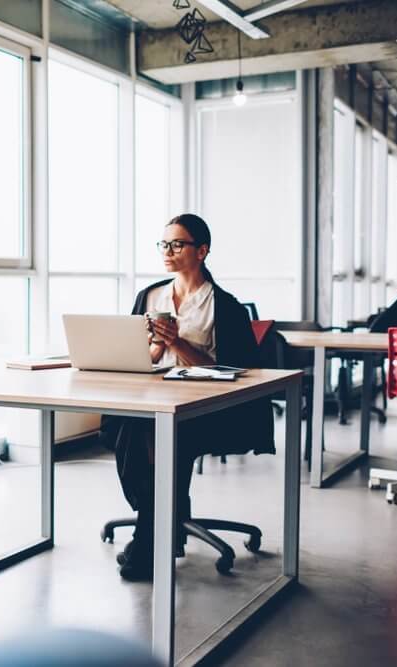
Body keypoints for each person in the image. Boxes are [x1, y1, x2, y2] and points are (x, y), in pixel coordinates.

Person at [112, 214, 274, 581]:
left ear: (201, 251)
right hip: (152, 396)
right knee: (126, 426)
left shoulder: (224, 306)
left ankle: (146, 541)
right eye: (164, 244)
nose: (167, 252)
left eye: (177, 244)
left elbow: (231, 371)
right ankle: (160, 522)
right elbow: (143, 357)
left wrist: (177, 341)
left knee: (156, 435)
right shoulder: (150, 296)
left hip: (207, 405)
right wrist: (155, 344)